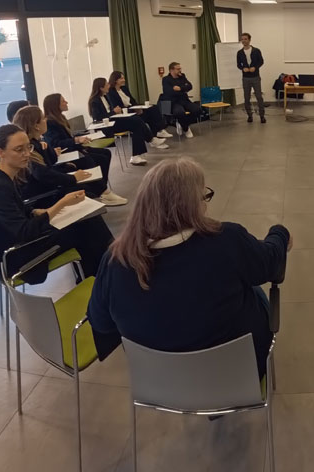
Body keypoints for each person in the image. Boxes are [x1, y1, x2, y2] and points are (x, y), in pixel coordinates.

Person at [87, 157, 291, 378]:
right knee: (252, 288)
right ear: (191, 205)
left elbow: (101, 323)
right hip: (236, 376)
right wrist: (279, 234)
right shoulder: (227, 240)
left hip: (158, 381)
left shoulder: (115, 260)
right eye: (203, 197)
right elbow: (270, 264)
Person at [0, 124, 114, 284]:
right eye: (19, 150)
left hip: (21, 244)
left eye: (28, 147)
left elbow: (15, 212)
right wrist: (60, 205)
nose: (26, 154)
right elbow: (24, 232)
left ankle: (102, 276)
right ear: (0, 152)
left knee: (86, 222)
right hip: (19, 256)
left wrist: (35, 211)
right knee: (86, 228)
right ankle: (106, 275)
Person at [12, 105, 126, 206]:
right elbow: (43, 174)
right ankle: (104, 193)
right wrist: (73, 177)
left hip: (48, 185)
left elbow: (51, 160)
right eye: (43, 118)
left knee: (89, 164)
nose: (45, 120)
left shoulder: (37, 142)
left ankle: (104, 192)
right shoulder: (30, 149)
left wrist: (46, 149)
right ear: (36, 126)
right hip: (44, 195)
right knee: (86, 186)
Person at [89, 77, 169, 165]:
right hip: (107, 126)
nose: (108, 85)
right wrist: (113, 112)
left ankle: (137, 154)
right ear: (101, 88)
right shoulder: (94, 101)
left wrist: (116, 111)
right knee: (136, 121)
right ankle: (150, 140)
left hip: (113, 121)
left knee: (137, 123)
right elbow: (98, 118)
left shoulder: (105, 97)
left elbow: (112, 111)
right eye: (106, 84)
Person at [42, 92, 113, 186]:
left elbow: (68, 136)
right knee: (93, 159)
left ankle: (102, 185)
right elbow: (55, 143)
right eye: (63, 101)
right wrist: (76, 140)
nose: (66, 102)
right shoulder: (49, 123)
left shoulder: (61, 118)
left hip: (74, 148)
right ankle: (100, 188)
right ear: (55, 105)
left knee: (106, 153)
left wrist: (81, 137)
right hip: (66, 153)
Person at [106, 70, 172, 140]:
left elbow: (132, 100)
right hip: (125, 113)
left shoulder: (124, 88)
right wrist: (134, 109)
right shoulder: (111, 92)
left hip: (132, 108)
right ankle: (153, 137)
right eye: (121, 78)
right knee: (145, 116)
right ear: (115, 80)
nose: (124, 80)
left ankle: (159, 131)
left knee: (153, 108)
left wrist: (138, 107)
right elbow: (117, 107)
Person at [161, 61, 200, 138]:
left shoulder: (182, 76)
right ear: (171, 70)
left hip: (184, 100)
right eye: (178, 69)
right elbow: (168, 92)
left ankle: (183, 124)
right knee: (179, 112)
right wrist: (183, 90)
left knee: (198, 110)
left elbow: (189, 86)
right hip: (174, 102)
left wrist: (180, 88)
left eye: (180, 68)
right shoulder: (166, 79)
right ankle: (186, 129)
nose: (180, 70)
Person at [236, 32, 266, 123]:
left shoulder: (256, 51)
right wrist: (243, 68)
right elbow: (238, 64)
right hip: (245, 78)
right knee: (246, 98)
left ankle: (262, 116)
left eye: (245, 39)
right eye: (242, 39)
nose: (244, 41)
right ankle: (249, 115)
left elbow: (261, 61)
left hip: (255, 77)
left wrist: (255, 67)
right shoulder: (240, 53)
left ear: (249, 40)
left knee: (259, 97)